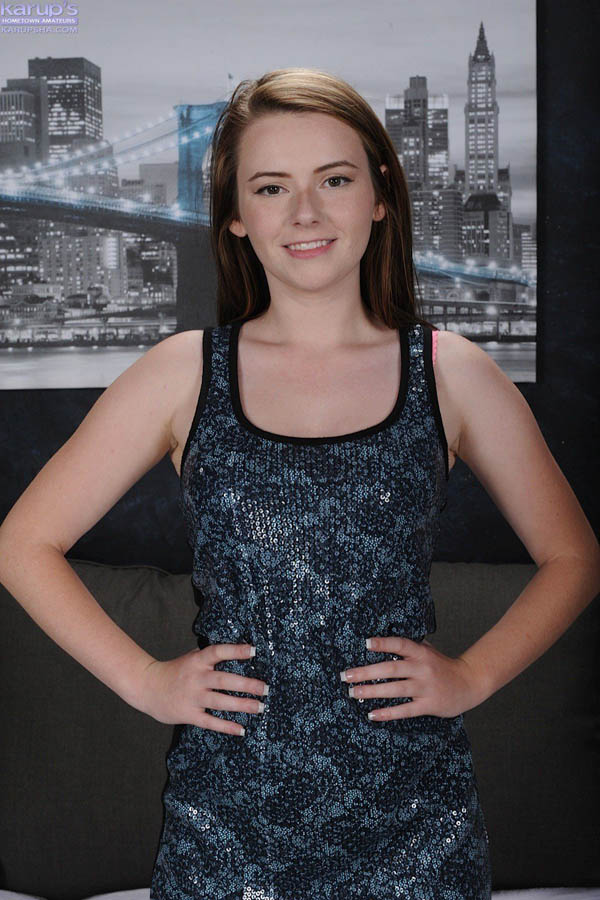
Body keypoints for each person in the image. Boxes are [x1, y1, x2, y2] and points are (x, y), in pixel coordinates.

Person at [0, 67, 599, 899]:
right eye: (272, 187)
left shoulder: (453, 373)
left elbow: (574, 556)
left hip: (415, 821)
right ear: (236, 216)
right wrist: (145, 680)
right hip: (226, 826)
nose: (306, 213)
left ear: (380, 197)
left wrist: (474, 675)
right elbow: (22, 543)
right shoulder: (182, 373)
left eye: (335, 180)